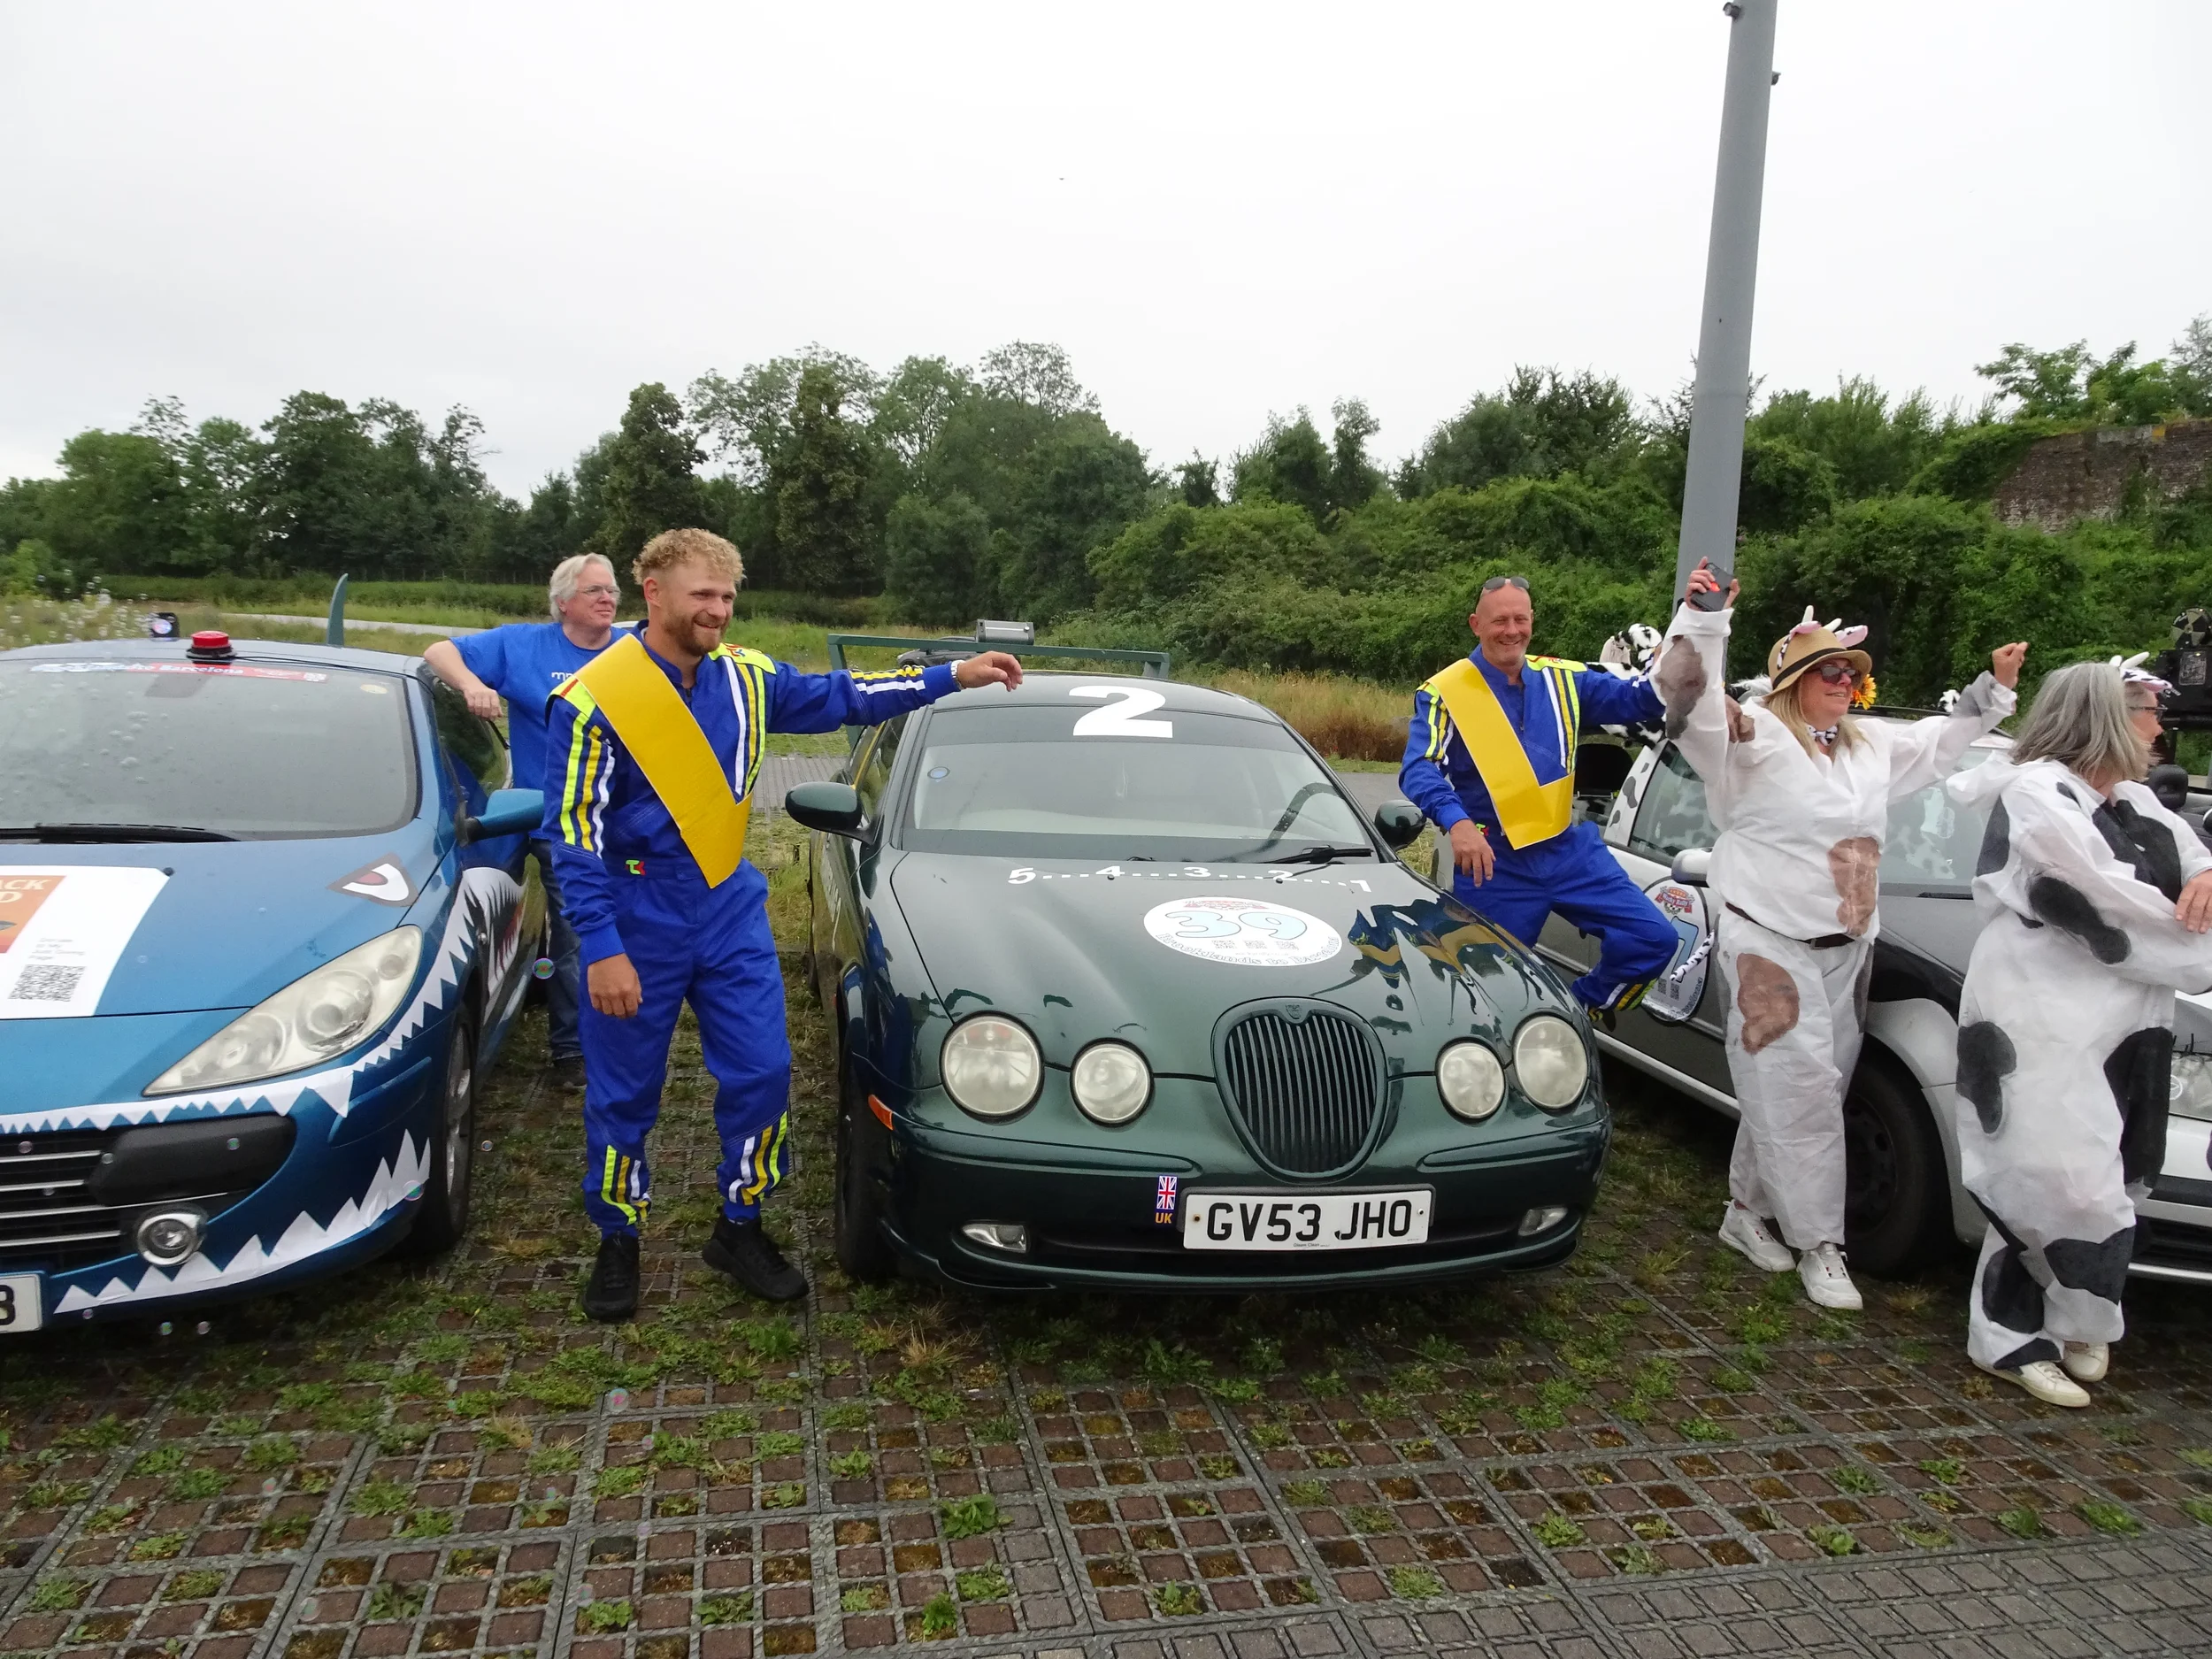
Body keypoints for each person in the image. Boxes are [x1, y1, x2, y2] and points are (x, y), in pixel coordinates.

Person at [549, 527, 1022, 1320]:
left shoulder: (746, 677)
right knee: (625, 1092)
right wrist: (600, 947)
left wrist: (948, 676)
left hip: (729, 906)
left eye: (728, 596)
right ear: (654, 592)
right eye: (703, 594)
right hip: (636, 916)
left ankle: (741, 1224)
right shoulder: (596, 699)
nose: (719, 610)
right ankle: (618, 1237)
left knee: (764, 1073)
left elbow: (844, 695)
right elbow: (573, 836)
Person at [1657, 564, 2025, 1310]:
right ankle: (1820, 1244)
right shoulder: (1751, 735)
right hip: (1768, 944)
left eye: (1848, 670)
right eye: (1826, 669)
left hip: (1846, 948)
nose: (1841, 679)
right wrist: (1703, 619)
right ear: (1793, 680)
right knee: (1800, 1095)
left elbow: (1938, 742)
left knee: (1807, 1088)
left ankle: (1741, 1212)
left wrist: (1993, 690)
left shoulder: (1866, 747)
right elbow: (1688, 704)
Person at [1944, 662, 2212, 1405]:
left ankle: (2062, 1321)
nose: (2160, 727)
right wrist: (2196, 938)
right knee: (2046, 1179)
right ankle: (2011, 1334)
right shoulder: (2035, 796)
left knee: (2110, 1175)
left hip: (2126, 1027)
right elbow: (2112, 910)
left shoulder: (2132, 801)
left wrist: (2207, 879)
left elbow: (2192, 864)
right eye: (2148, 712)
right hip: (2039, 1021)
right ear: (2104, 718)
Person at [1399, 574, 1681, 1025]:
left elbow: (1643, 701)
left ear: (1532, 621)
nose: (1512, 630)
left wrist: (1692, 631)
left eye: (1520, 619)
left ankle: (1573, 1010)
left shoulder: (1563, 678)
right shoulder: (1443, 692)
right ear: (1476, 624)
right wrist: (1458, 823)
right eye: (1500, 621)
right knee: (1482, 994)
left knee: (1654, 940)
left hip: (1569, 850)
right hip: (1496, 861)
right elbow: (1419, 767)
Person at [424, 553, 626, 1090]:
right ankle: (572, 1051)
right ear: (563, 603)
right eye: (594, 591)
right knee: (581, 934)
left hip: (624, 819)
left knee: (628, 931)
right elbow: (437, 651)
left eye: (612, 591)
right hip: (557, 823)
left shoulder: (633, 652)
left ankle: (624, 1030)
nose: (608, 599)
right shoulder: (523, 646)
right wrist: (472, 684)